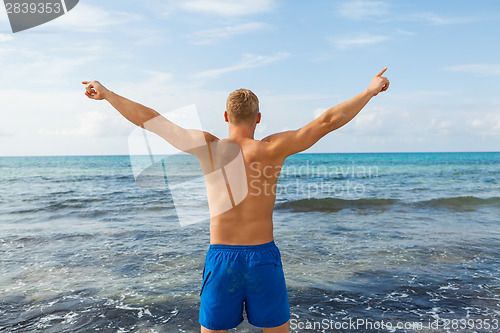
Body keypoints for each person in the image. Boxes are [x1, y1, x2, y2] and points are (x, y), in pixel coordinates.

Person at [82, 68, 390, 332]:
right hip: (263, 259)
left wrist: (108, 94)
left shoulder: (209, 148)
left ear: (226, 116)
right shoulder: (272, 148)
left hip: (222, 259)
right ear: (258, 118)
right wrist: (369, 92)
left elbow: (151, 120)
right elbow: (327, 121)